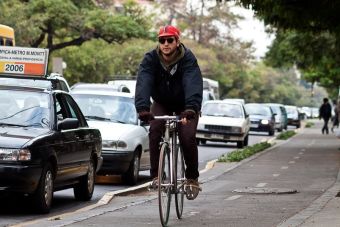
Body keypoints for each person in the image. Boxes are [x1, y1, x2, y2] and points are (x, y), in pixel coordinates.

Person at [135, 25, 203, 200]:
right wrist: (142, 108)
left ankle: (192, 178)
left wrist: (191, 108)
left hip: (184, 105)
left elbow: (192, 82)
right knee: (155, 129)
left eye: (169, 40)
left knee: (187, 136)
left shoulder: (187, 58)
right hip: (161, 102)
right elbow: (144, 81)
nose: (165, 44)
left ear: (177, 41)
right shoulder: (150, 58)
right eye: (161, 40)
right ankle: (156, 176)